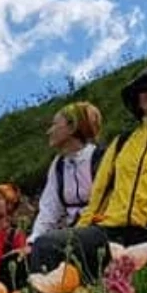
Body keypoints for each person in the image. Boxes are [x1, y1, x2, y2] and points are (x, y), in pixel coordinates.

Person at [29, 64, 147, 277]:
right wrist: (78, 233)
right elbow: (98, 197)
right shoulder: (121, 143)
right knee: (47, 245)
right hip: (110, 231)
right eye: (145, 87)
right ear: (138, 99)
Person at [29, 102, 104, 244]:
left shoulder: (100, 158)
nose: (49, 131)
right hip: (72, 233)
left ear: (72, 127)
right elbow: (49, 209)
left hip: (100, 228)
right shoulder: (58, 165)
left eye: (55, 125)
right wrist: (33, 240)